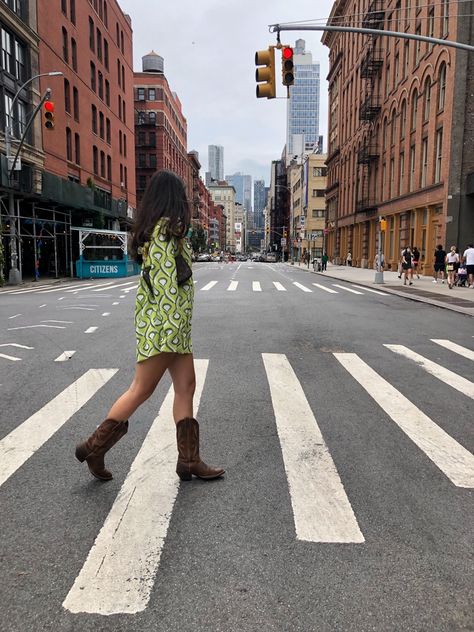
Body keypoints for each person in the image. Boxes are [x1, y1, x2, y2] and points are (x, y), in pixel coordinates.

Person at [75, 170, 224, 482]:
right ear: (172, 199)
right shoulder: (161, 236)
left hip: (174, 329)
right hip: (164, 328)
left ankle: (189, 461)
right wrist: (172, 334)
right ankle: (94, 447)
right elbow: (167, 287)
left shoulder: (169, 233)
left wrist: (179, 332)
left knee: (186, 386)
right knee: (141, 389)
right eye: (181, 197)